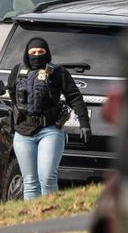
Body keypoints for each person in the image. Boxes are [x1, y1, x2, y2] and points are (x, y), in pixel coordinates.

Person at [7, 37, 90, 200]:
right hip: (23, 133)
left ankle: (50, 218)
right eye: (33, 52)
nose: (36, 55)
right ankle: (33, 222)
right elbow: (12, 93)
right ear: (27, 54)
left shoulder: (57, 72)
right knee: (30, 182)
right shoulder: (17, 71)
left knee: (47, 178)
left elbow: (75, 98)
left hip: (50, 131)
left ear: (47, 53)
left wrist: (84, 123)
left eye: (41, 52)